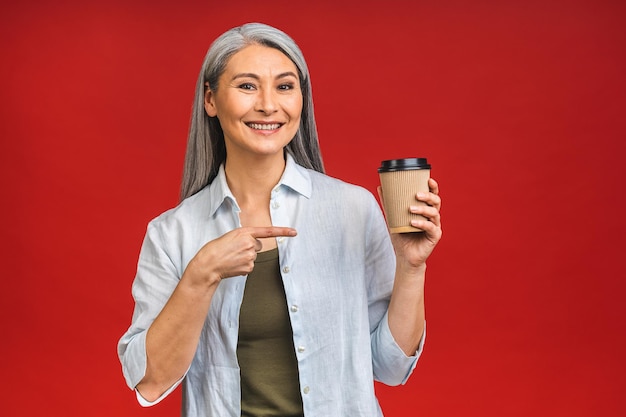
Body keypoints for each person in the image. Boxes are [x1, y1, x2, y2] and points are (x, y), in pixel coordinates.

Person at [117, 22, 442, 417]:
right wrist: (201, 274)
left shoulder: (354, 209)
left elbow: (390, 368)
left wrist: (411, 267)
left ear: (301, 99)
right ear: (210, 100)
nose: (269, 105)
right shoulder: (172, 234)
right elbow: (150, 383)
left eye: (285, 86)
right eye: (247, 86)